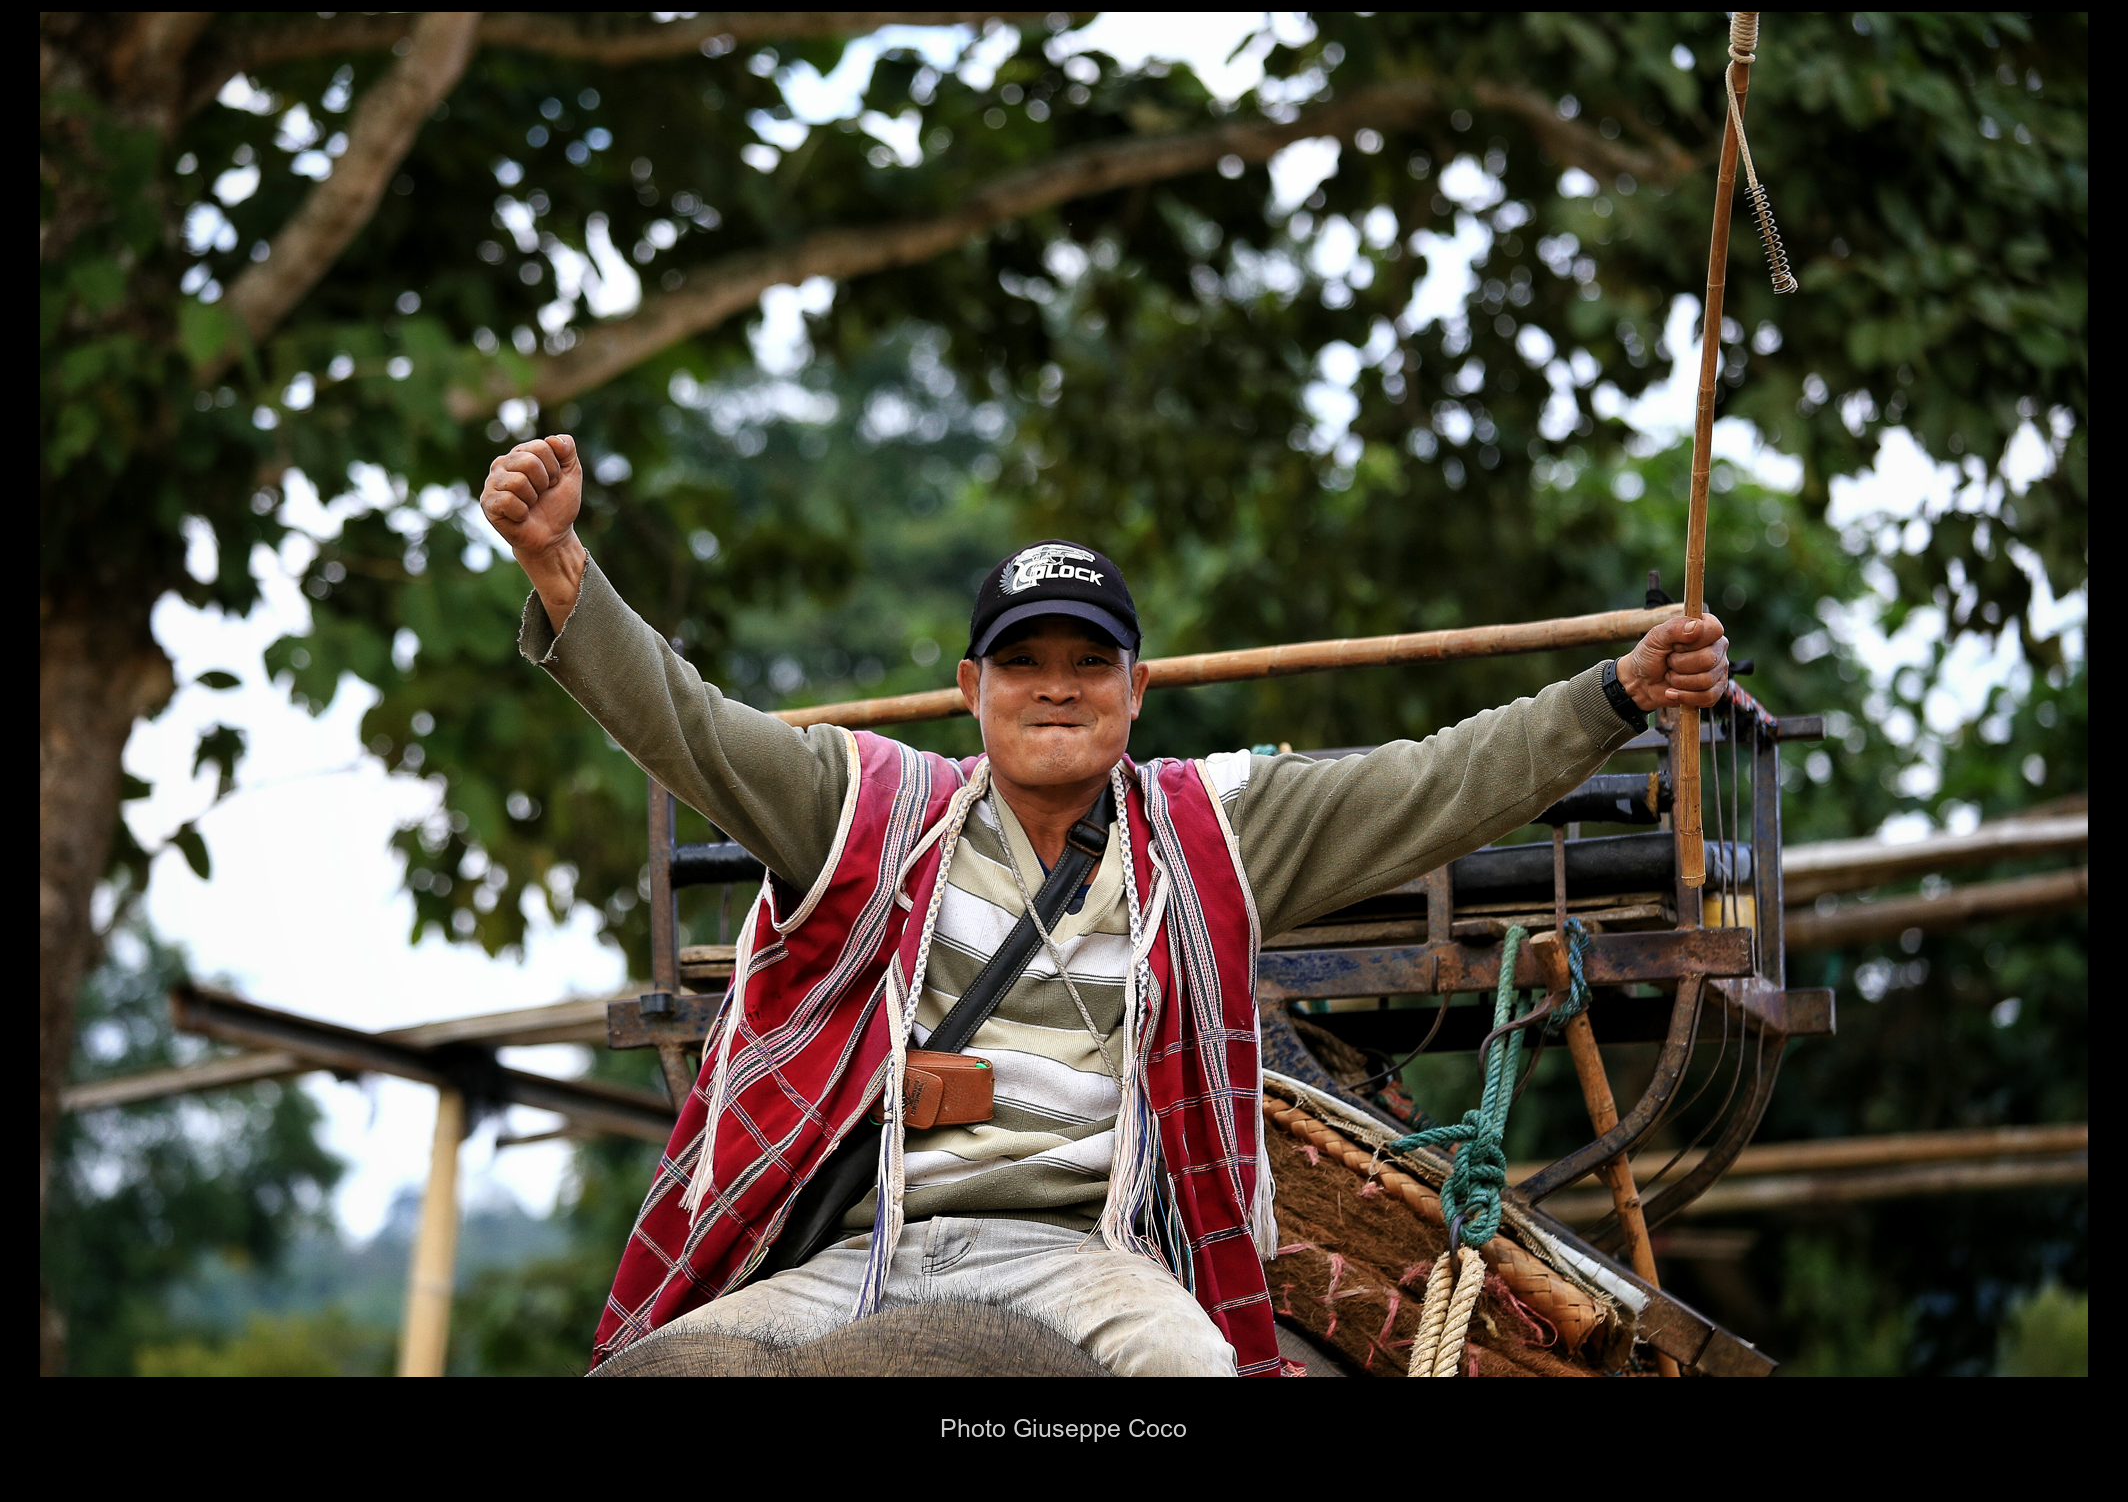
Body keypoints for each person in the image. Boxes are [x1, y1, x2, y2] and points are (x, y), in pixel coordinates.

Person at [482, 434, 1730, 1377]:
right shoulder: (864, 804)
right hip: (856, 1247)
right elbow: (687, 724)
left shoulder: (1210, 830)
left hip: (1089, 1260)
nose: (1056, 689)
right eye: (1023, 663)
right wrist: (556, 563)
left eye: (1089, 664)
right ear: (971, 686)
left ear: (1138, 692)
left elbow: (1435, 782)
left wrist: (1612, 694)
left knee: (1192, 1375)